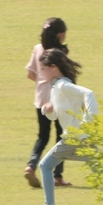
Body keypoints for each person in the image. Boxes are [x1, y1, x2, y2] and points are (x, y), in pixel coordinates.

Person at [27, 49, 97, 205]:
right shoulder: (55, 87)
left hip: (74, 138)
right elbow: (56, 115)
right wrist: (47, 109)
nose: (40, 72)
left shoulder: (63, 85)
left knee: (45, 165)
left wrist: (89, 121)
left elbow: (89, 93)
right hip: (80, 138)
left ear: (53, 67)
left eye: (43, 69)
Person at [24, 17, 71, 188]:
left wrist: (42, 81)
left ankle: (31, 165)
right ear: (60, 35)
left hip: (40, 99)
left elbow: (30, 74)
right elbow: (66, 77)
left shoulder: (37, 49)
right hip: (58, 99)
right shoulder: (59, 53)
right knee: (62, 136)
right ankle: (57, 176)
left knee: (42, 136)